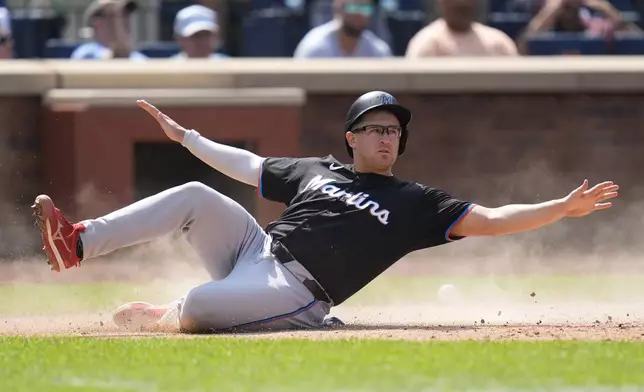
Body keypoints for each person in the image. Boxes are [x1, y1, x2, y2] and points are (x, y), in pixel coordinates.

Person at [32, 91, 619, 333]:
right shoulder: (319, 170)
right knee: (193, 194)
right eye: (375, 129)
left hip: (298, 289)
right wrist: (187, 136)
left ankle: (168, 314)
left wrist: (560, 208)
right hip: (254, 251)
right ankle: (77, 242)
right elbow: (248, 166)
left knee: (202, 310)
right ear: (351, 139)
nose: (387, 138)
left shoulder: (416, 203)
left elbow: (491, 218)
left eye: (394, 131)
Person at [406, 0, 518, 57]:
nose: (462, 1)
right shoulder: (426, 43)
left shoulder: (499, 43)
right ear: (440, 2)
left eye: (465, 7)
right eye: (457, 6)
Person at [293, 0, 391, 58]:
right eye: (353, 7)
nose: (359, 14)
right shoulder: (315, 48)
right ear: (338, 7)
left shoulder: (378, 51)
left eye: (365, 8)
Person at [70, 0, 147, 60]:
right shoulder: (86, 53)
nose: (123, 20)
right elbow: (119, 56)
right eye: (114, 15)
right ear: (97, 21)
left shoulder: (139, 58)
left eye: (126, 14)